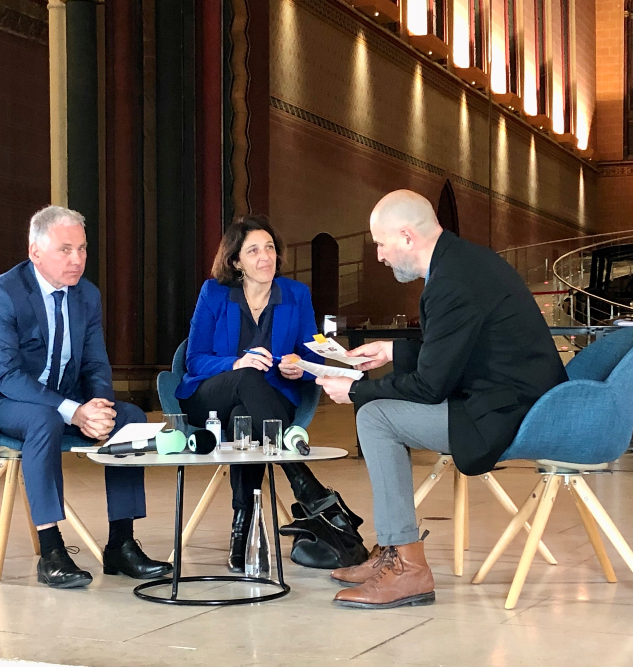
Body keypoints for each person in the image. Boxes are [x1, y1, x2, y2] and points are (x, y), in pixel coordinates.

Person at [315, 190, 568, 609]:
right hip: (514, 397)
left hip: (511, 414)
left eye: (381, 243)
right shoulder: (463, 262)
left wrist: (356, 390)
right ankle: (396, 551)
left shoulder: (450, 282)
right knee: (377, 409)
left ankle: (407, 566)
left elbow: (431, 386)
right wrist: (394, 351)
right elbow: (464, 353)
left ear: (407, 237)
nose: (378, 255)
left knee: (375, 416)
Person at [0, 205, 171, 589]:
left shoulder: (86, 295)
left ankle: (121, 544)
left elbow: (95, 364)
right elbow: (8, 377)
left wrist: (99, 409)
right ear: (35, 252)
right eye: (65, 249)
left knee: (131, 418)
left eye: (83, 249)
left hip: (65, 396)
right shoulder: (2, 295)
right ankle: (52, 550)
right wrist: (74, 412)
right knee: (43, 420)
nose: (77, 260)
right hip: (2, 400)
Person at [177, 215, 366, 572]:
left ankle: (243, 527)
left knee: (242, 421)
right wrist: (235, 364)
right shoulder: (214, 293)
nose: (265, 257)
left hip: (272, 400)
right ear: (236, 261)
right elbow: (195, 360)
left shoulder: (295, 294)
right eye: (253, 251)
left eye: (269, 249)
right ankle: (306, 486)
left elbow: (311, 351)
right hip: (209, 399)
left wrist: (298, 364)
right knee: (247, 378)